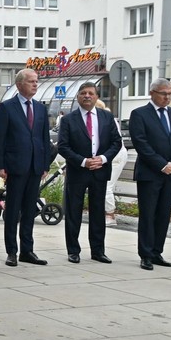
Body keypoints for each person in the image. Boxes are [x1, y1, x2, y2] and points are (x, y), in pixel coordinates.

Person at [56, 82, 122, 264]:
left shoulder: (107, 118)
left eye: (91, 93)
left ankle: (98, 250)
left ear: (96, 97)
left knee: (98, 212)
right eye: (83, 93)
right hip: (78, 171)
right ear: (77, 97)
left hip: (100, 171)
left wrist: (103, 159)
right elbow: (63, 146)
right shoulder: (69, 120)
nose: (87, 96)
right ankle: (73, 250)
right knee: (73, 212)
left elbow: (116, 142)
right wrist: (83, 161)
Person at [128, 78, 171, 270]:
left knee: (163, 214)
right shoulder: (140, 114)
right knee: (148, 214)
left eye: (170, 94)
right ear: (152, 93)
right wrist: (162, 164)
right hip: (150, 173)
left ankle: (157, 252)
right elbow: (141, 143)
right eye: (164, 93)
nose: (167, 97)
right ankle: (145, 254)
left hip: (170, 173)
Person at [0, 68, 51, 267]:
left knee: (29, 209)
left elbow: (44, 139)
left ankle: (28, 250)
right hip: (15, 167)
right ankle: (12, 251)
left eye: (36, 81)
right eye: (31, 81)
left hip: (35, 167)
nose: (35, 84)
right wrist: (0, 166)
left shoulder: (41, 108)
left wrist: (44, 165)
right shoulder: (7, 108)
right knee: (13, 209)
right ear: (19, 84)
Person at [98, 99, 128, 224]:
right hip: (110, 155)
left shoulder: (107, 119)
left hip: (115, 156)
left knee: (107, 186)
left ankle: (110, 215)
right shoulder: (105, 118)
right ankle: (105, 213)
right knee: (104, 185)